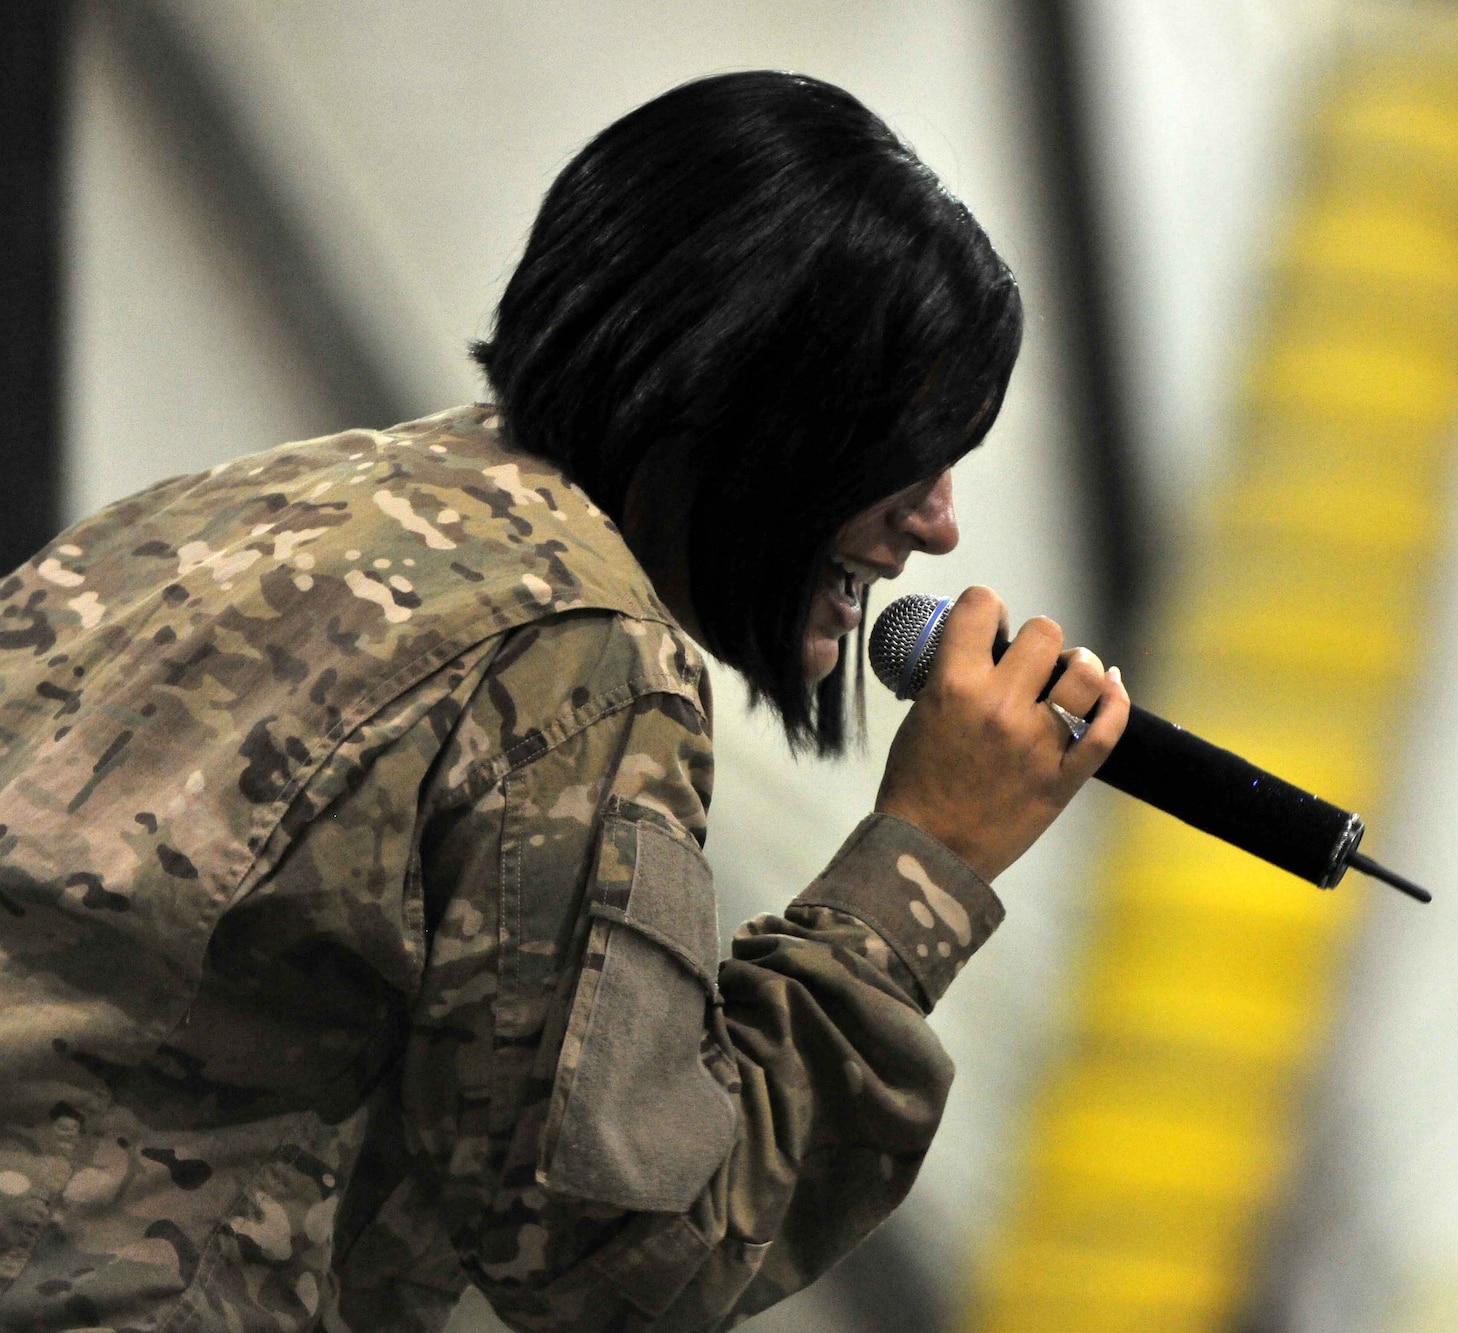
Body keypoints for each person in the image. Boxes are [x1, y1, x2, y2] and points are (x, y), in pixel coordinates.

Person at [0, 71, 1129, 1332]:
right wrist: (928, 859)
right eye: (906, 454)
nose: (935, 524)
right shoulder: (573, 653)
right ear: (753, 403)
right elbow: (626, 1259)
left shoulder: (233, 510)